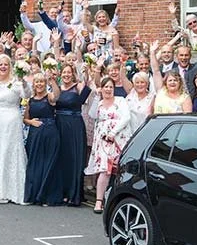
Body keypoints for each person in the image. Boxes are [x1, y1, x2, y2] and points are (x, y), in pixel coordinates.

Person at [0, 54, 29, 204]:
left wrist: (23, 83)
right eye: (0, 64)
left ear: (10, 67)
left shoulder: (16, 82)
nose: (3, 67)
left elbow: (27, 95)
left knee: (11, 149)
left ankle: (15, 191)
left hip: (12, 118)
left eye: (6, 64)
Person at [84, 77, 131, 214]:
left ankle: (117, 200)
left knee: (119, 169)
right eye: (106, 87)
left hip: (118, 138)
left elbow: (126, 117)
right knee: (104, 170)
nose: (108, 89)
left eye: (111, 87)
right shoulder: (99, 103)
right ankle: (99, 201)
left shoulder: (120, 101)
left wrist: (113, 132)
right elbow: (92, 115)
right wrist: (97, 97)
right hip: (103, 141)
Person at [55, 61, 91, 206]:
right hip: (59, 125)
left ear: (73, 74)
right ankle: (61, 192)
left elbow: (86, 90)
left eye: (69, 72)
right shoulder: (57, 88)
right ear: (60, 74)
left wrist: (87, 73)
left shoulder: (78, 87)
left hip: (74, 125)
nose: (66, 75)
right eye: (64, 72)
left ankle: (73, 193)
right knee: (61, 159)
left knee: (74, 159)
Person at [23, 70, 61, 206]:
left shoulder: (49, 96)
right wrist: (31, 122)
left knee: (48, 164)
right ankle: (32, 195)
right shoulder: (30, 100)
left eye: (41, 82)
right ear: (33, 84)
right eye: (37, 82)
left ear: (45, 84)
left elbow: (56, 97)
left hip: (50, 133)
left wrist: (53, 81)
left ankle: (46, 196)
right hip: (35, 135)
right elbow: (25, 119)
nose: (39, 84)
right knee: (35, 164)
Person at [150, 41, 192, 114]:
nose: (172, 82)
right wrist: (152, 52)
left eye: (175, 80)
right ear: (165, 82)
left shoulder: (185, 98)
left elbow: (187, 118)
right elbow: (156, 71)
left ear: (180, 82)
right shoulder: (161, 91)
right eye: (170, 80)